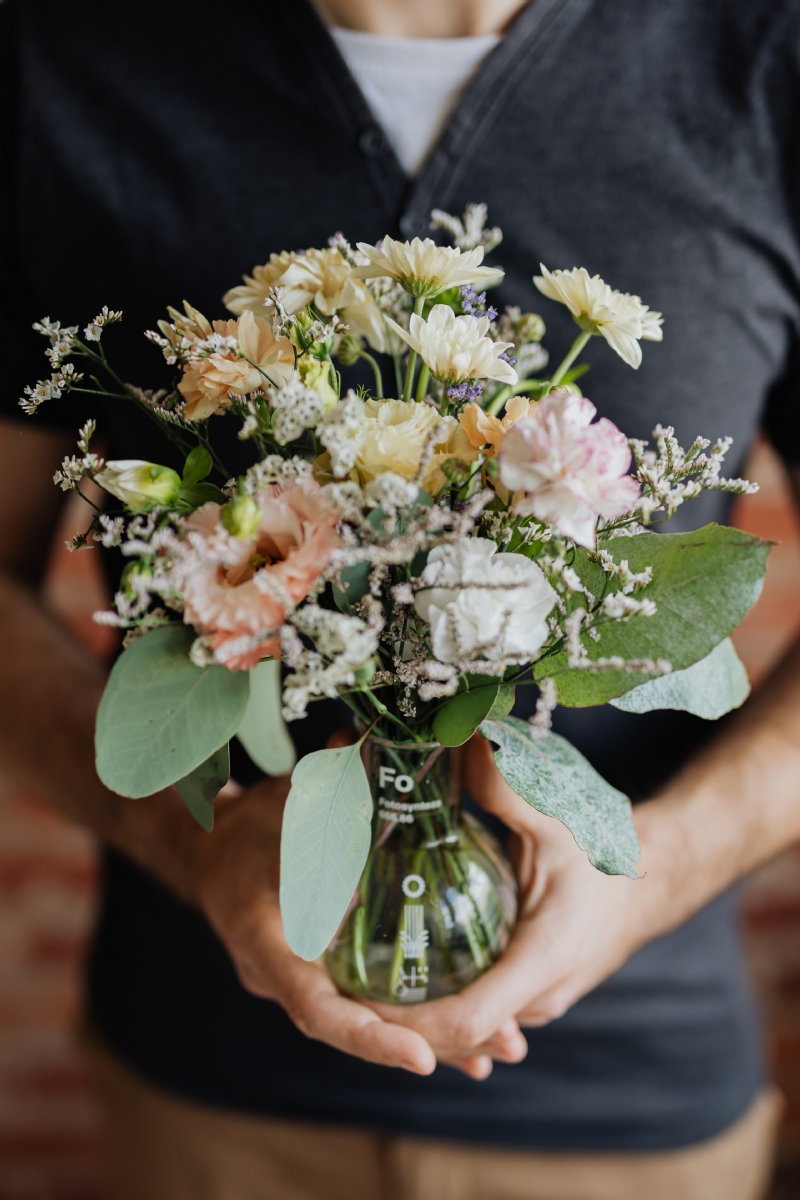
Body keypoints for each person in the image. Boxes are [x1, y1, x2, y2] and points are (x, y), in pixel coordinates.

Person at [1, 0, 800, 1196]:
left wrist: (654, 871)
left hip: (631, 1111)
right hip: (209, 1095)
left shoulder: (762, 52)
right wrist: (190, 842)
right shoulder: (66, 58)